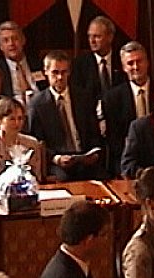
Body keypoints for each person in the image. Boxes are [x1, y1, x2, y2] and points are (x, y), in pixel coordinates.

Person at [29, 50, 105, 182]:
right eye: (55, 72)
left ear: (69, 72)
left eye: (63, 72)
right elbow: (36, 142)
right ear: (46, 72)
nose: (60, 77)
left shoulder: (83, 97)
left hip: (83, 156)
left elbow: (93, 132)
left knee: (101, 176)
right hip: (58, 161)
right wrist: (55, 158)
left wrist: (94, 151)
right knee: (63, 178)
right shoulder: (37, 104)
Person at [100, 41, 154, 176]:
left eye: (139, 61)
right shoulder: (112, 98)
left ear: (147, 62)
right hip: (128, 159)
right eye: (130, 63)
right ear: (124, 67)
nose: (136, 67)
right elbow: (114, 140)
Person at [0, 96, 43, 185]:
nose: (17, 123)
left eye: (20, 118)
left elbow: (36, 178)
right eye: (12, 119)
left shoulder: (32, 143)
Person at [71, 16, 124, 104]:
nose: (92, 41)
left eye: (97, 36)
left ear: (110, 37)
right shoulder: (79, 64)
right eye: (89, 36)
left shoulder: (122, 59)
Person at [0, 21, 46, 107]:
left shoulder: (39, 63)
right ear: (0, 46)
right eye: (6, 40)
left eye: (15, 38)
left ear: (23, 40)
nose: (11, 43)